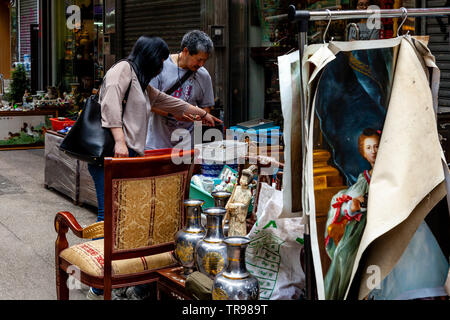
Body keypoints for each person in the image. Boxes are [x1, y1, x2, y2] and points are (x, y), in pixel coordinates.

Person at [86, 35, 221, 300]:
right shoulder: (122, 70)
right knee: (108, 218)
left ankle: (118, 279)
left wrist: (202, 114)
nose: (162, 66)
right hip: (110, 158)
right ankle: (98, 286)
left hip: (128, 159)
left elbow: (166, 102)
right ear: (150, 56)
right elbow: (109, 103)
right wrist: (120, 141)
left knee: (122, 220)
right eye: (160, 60)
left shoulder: (140, 80)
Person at [323, 128, 379, 300]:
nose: (374, 152)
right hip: (365, 231)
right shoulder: (365, 179)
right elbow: (350, 203)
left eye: (376, 146)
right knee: (344, 255)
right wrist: (352, 206)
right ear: (363, 152)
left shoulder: (386, 174)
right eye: (369, 148)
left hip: (385, 228)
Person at [145, 30, 215, 151]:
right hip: (157, 144)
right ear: (186, 51)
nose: (201, 64)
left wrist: (200, 117)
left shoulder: (204, 75)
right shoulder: (160, 67)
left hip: (188, 147)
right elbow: (148, 102)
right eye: (199, 60)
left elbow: (206, 108)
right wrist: (174, 113)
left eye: (205, 60)